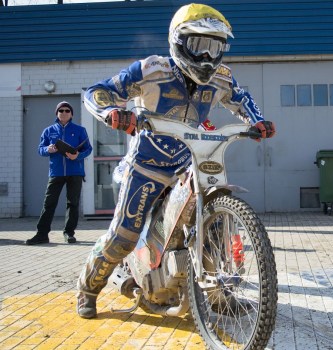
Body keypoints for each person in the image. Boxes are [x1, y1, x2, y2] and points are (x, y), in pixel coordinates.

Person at [76, 3, 275, 319]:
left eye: (216, 47)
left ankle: (219, 296)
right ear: (179, 42)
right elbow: (97, 92)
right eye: (200, 46)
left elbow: (241, 100)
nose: (208, 57)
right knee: (124, 234)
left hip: (188, 162)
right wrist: (113, 112)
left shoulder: (221, 78)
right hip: (145, 165)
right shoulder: (152, 71)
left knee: (215, 221)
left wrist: (258, 121)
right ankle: (88, 288)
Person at [25, 102, 92, 245]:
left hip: (75, 172)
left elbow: (88, 149)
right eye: (61, 110)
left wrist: (77, 156)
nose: (64, 112)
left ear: (71, 114)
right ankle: (42, 234)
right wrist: (47, 149)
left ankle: (69, 233)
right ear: (57, 113)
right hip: (56, 172)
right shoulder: (48, 131)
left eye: (67, 110)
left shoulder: (80, 130)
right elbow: (40, 149)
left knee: (72, 203)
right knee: (49, 203)